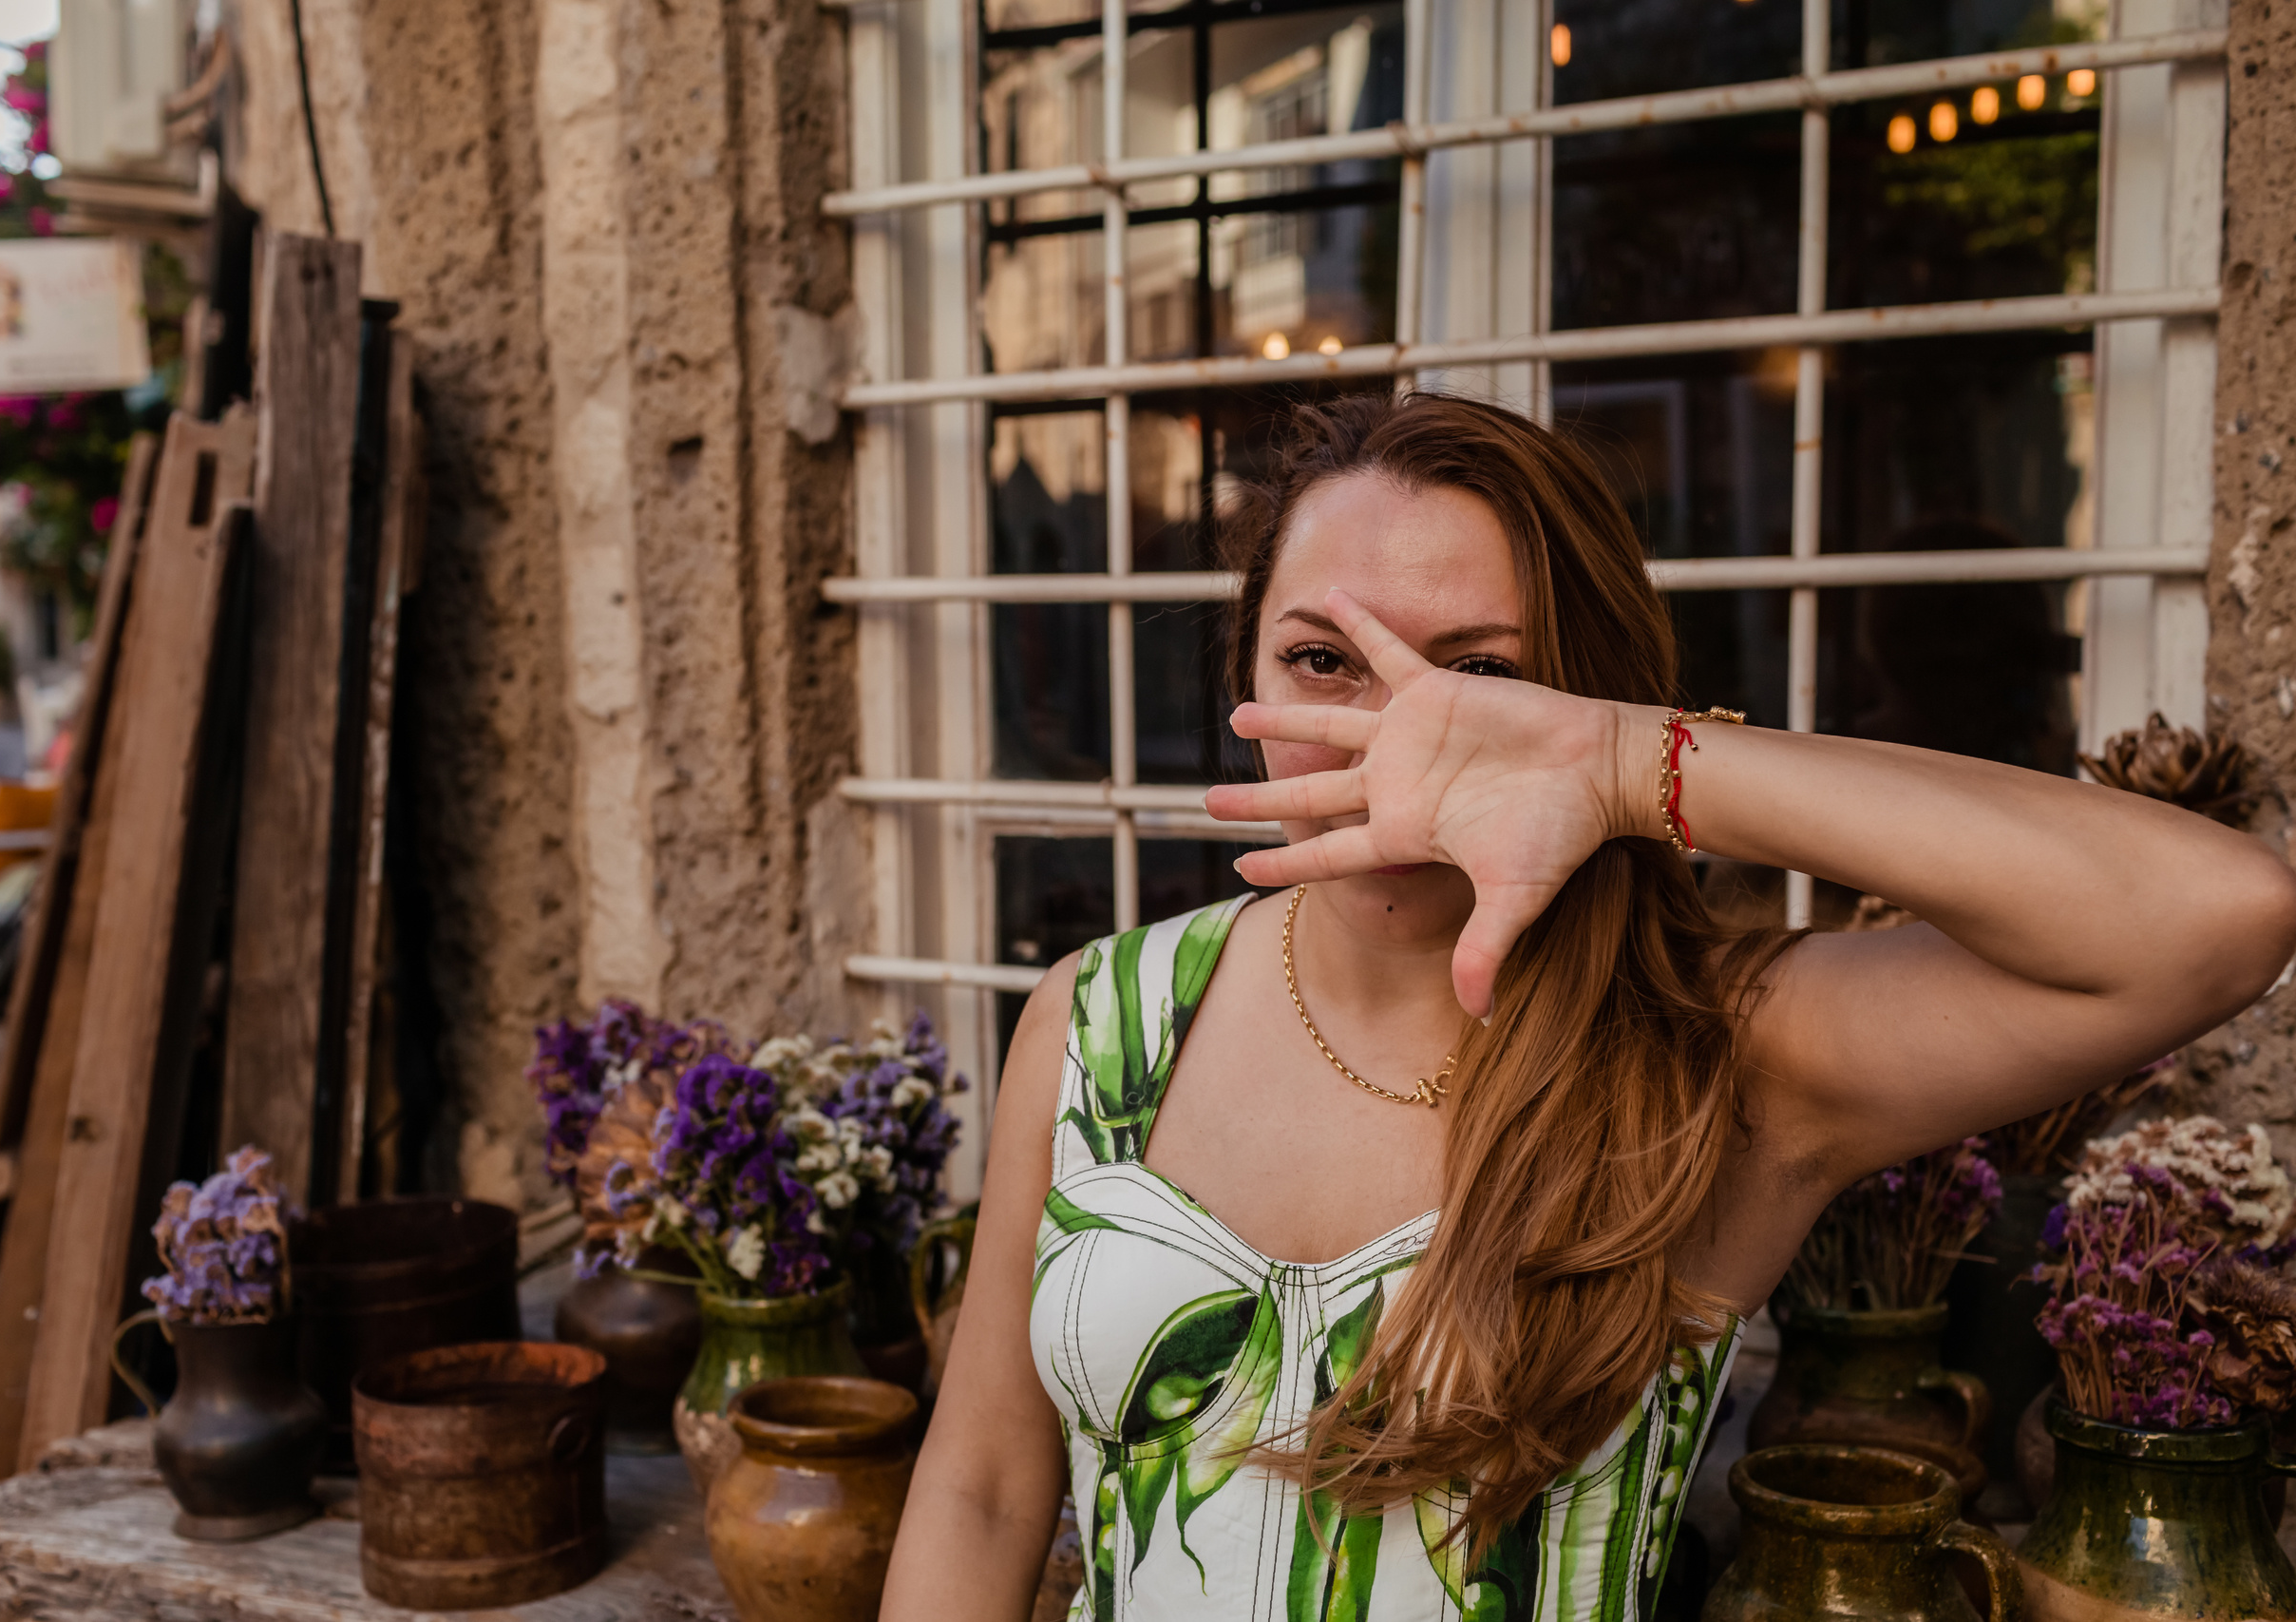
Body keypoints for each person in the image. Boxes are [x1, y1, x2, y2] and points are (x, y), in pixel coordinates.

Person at [879, 391, 2296, 1622]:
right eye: (1324, 660)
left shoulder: (1719, 1059)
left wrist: (1634, 766)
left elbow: (2213, 919)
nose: (1402, 740)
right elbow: (989, 1490)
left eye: (1480, 677)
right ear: (1245, 666)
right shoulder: (1096, 1020)